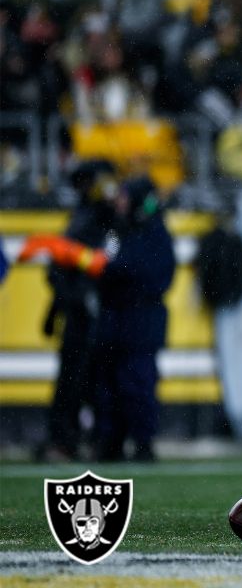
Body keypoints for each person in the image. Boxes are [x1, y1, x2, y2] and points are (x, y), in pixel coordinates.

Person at [20, 177, 175, 462]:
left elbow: (127, 269)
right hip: (113, 319)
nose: (119, 202)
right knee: (106, 386)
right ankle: (110, 442)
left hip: (139, 321)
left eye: (126, 198)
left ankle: (142, 444)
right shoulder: (119, 230)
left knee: (136, 384)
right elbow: (109, 266)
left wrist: (82, 258)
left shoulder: (154, 234)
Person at [39, 161, 116, 462]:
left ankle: (82, 440)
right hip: (80, 312)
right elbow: (64, 267)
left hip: (92, 311)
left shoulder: (99, 218)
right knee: (75, 381)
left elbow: (92, 266)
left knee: (88, 381)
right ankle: (69, 440)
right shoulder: (88, 217)